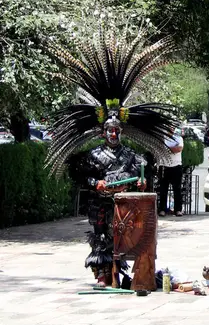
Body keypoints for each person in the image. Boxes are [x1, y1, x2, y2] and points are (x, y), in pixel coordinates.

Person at [45, 29, 179, 287]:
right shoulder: (93, 155)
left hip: (123, 208)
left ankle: (119, 274)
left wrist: (141, 184)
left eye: (117, 130)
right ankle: (103, 275)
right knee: (100, 238)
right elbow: (80, 174)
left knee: (122, 239)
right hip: (99, 205)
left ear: (123, 131)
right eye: (109, 130)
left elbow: (144, 171)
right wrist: (96, 184)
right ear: (101, 131)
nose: (114, 133)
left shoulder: (131, 155)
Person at [159, 128, 184, 217]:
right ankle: (162, 209)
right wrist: (172, 148)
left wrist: (167, 149)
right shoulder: (161, 138)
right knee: (163, 189)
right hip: (164, 166)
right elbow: (160, 149)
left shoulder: (178, 138)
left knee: (177, 189)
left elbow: (179, 149)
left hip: (176, 166)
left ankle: (178, 210)